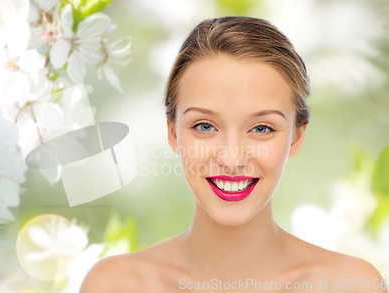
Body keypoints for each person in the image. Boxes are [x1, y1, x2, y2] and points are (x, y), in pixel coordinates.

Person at [80, 16, 387, 293]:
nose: (231, 159)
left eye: (262, 128)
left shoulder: (352, 285)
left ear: (297, 136)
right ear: (173, 133)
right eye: (204, 126)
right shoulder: (115, 285)